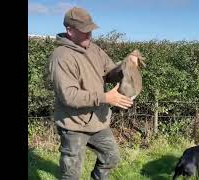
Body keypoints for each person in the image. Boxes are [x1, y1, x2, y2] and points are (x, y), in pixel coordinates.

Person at [48, 7, 139, 180]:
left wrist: (126, 66)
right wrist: (106, 97)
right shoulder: (60, 57)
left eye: (90, 30)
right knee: (71, 174)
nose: (89, 35)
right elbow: (69, 96)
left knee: (111, 157)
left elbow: (110, 72)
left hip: (97, 121)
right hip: (73, 124)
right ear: (70, 30)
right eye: (84, 31)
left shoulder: (94, 49)